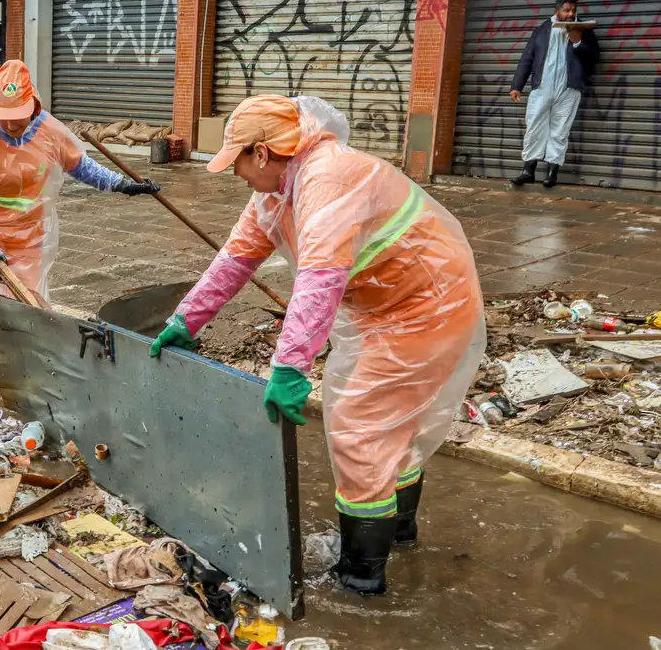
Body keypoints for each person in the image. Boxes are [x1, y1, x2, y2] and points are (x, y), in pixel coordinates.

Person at [149, 95, 485, 595]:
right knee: (385, 426)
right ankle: (396, 532)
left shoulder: (329, 177)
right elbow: (235, 259)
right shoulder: (276, 191)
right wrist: (186, 321)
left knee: (360, 431)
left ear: (261, 154)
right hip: (384, 310)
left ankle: (361, 575)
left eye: (237, 162)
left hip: (426, 309)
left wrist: (288, 367)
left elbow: (320, 279)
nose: (237, 175)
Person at [0, 60, 160, 415]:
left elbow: (82, 166)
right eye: (4, 114)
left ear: (34, 106)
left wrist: (123, 185)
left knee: (25, 310)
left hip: (26, 235)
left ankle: (26, 392)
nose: (11, 122)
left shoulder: (48, 130)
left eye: (17, 114)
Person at [508, 0, 600, 188]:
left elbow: (594, 56)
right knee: (534, 127)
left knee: (560, 130)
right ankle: (528, 171)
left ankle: (552, 173)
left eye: (573, 11)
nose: (570, 14)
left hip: (568, 88)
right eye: (566, 10)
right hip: (542, 87)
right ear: (557, 10)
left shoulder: (583, 29)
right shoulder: (542, 30)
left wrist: (577, 42)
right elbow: (527, 57)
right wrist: (517, 85)